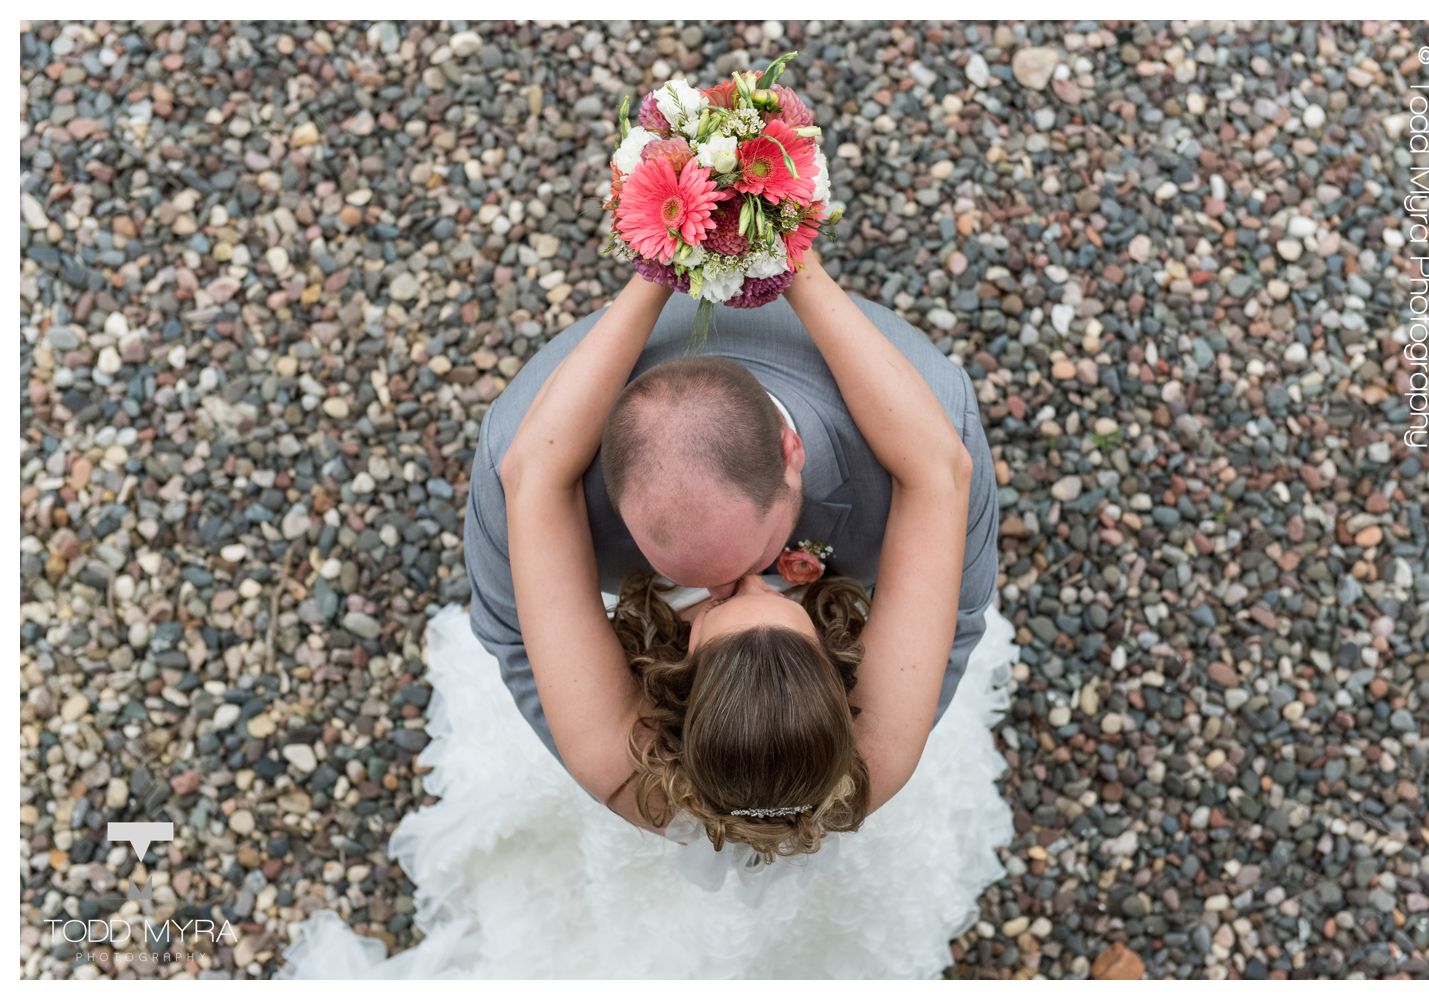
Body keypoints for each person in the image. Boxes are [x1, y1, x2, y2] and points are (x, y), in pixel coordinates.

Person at [279, 257, 1018, 977]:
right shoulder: (878, 757)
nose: (752, 585)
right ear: (836, 677)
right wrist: (790, 256)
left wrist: (654, 270)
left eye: (726, 610)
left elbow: (532, 475)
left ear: (681, 682)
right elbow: (942, 484)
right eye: (785, 616)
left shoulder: (626, 770)